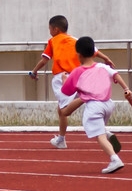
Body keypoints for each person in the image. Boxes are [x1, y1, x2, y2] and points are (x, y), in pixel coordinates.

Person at [29, 15, 114, 149]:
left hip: (62, 77)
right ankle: (63, 138)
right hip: (80, 75)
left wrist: (34, 71)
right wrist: (107, 58)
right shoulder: (75, 40)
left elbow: (44, 60)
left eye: (49, 29)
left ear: (55, 29)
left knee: (64, 110)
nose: (49, 31)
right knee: (76, 105)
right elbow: (93, 51)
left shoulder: (52, 41)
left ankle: (65, 139)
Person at [59, 36, 132, 174]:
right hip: (108, 104)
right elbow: (116, 74)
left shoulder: (77, 72)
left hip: (94, 106)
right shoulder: (102, 66)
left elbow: (66, 91)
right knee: (99, 129)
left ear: (78, 54)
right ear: (93, 52)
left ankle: (114, 159)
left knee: (99, 135)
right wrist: (126, 89)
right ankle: (107, 134)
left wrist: (64, 79)